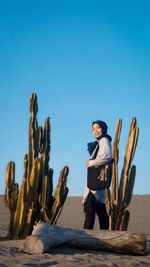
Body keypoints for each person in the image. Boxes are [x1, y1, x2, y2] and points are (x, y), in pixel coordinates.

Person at [82, 120, 112, 230]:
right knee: (101, 210)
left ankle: (85, 236)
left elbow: (107, 156)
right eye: (93, 129)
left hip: (96, 182)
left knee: (89, 208)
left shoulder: (104, 140)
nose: (96, 131)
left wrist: (90, 163)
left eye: (98, 128)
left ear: (103, 128)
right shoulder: (100, 142)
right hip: (98, 181)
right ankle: (105, 235)